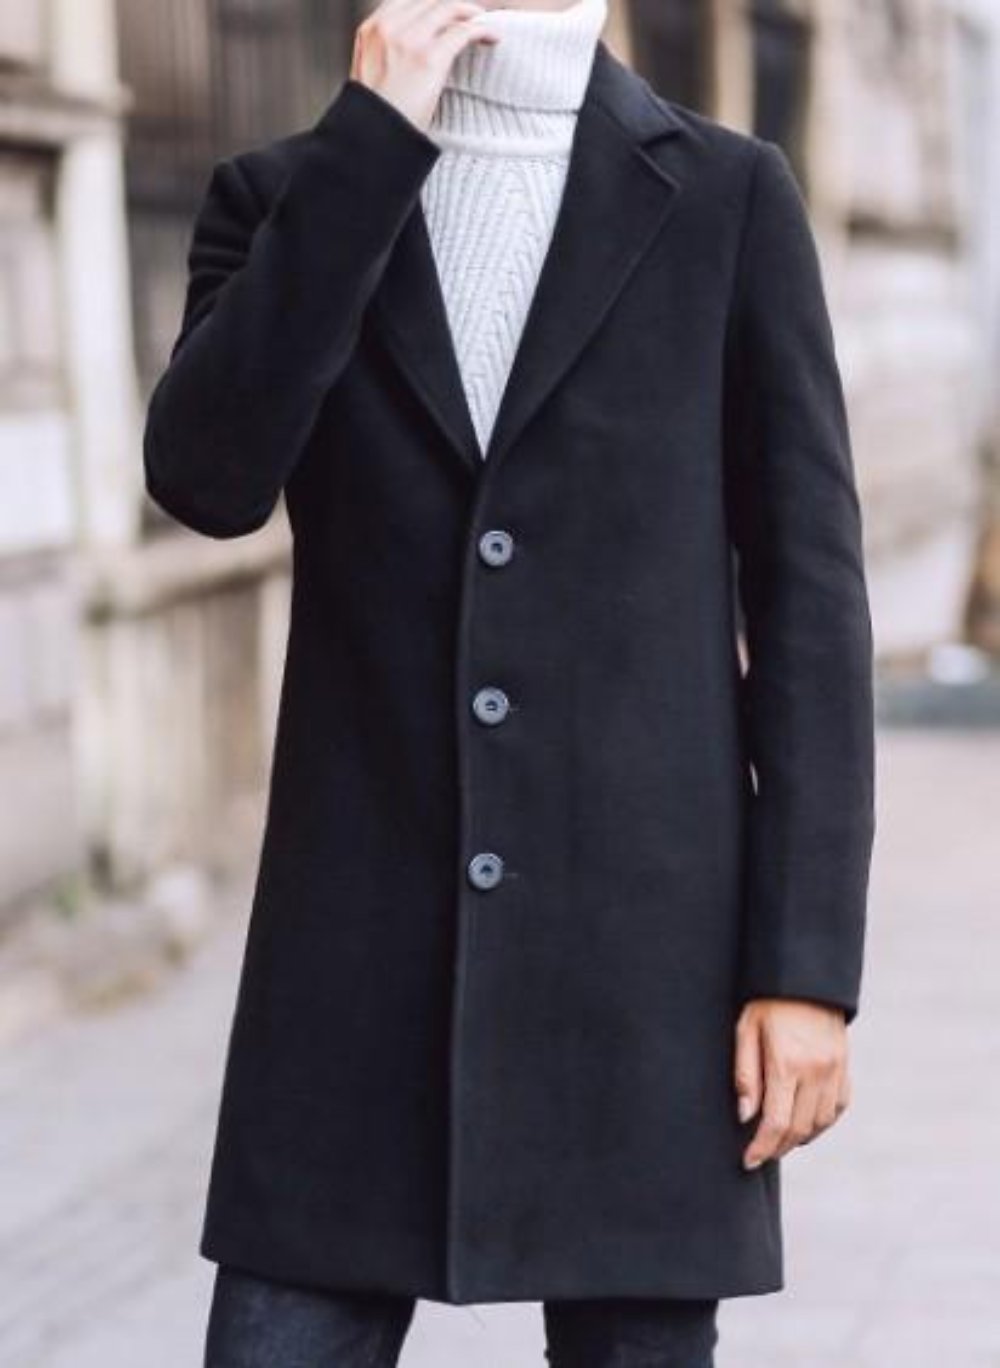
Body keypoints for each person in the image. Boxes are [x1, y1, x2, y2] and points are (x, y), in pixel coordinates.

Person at [143, 0, 877, 1364]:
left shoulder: (726, 199)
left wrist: (806, 971)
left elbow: (811, 608)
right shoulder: (289, 194)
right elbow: (206, 479)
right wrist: (373, 145)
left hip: (646, 975)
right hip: (354, 969)